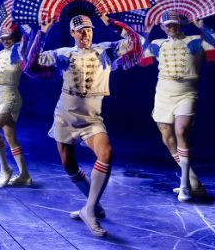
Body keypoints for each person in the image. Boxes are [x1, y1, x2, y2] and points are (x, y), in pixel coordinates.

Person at [25, 14, 142, 237]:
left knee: (106, 153)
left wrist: (114, 24)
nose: (85, 34)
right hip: (65, 115)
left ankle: (89, 209)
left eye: (88, 29)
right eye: (80, 30)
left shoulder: (105, 51)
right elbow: (32, 64)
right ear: (72, 33)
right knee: (68, 163)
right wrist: (42, 33)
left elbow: (135, 44)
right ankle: (93, 204)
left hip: (92, 117)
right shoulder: (63, 54)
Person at [141, 11, 215, 201]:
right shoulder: (157, 45)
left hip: (187, 93)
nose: (171, 28)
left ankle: (185, 185)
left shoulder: (195, 41)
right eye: (167, 25)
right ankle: (193, 180)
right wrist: (144, 33)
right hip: (163, 94)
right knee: (167, 137)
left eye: (174, 24)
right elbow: (139, 55)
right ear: (162, 27)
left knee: (181, 131)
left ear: (181, 25)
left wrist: (203, 26)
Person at [0, 23, 32, 187]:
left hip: (11, 96)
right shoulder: (1, 54)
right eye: (3, 37)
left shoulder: (18, 52)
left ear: (15, 37)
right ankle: (25, 175)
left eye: (9, 37)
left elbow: (28, 57)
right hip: (1, 97)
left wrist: (25, 34)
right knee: (11, 137)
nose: (5, 40)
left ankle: (5, 168)